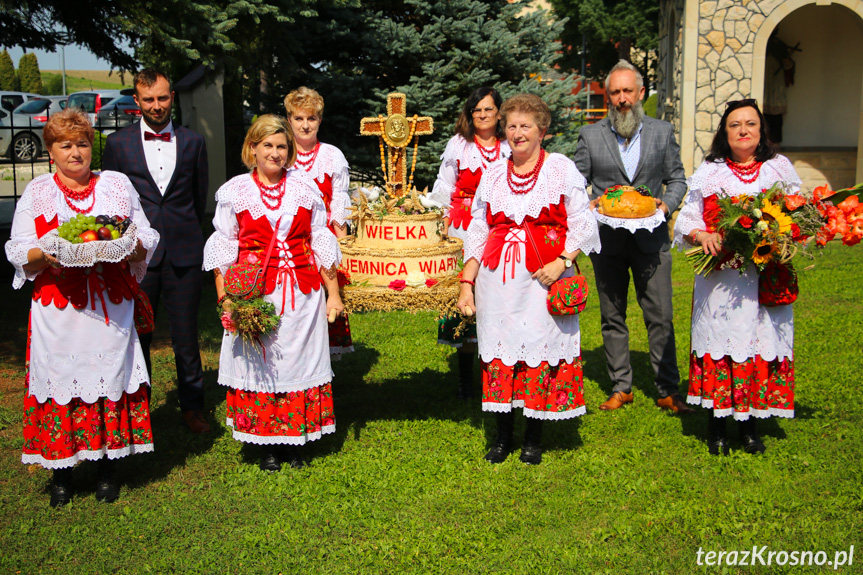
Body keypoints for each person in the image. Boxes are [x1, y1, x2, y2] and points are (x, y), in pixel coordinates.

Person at [5, 108, 159, 506]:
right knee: (61, 379)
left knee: (111, 376)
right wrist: (51, 251)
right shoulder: (38, 191)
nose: (76, 152)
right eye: (66, 145)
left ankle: (108, 469)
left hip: (110, 302)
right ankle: (62, 474)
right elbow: (21, 251)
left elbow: (143, 237)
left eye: (83, 144)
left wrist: (126, 246)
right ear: (51, 151)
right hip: (59, 308)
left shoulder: (116, 184)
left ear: (93, 147)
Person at [458, 94, 601, 465]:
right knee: (501, 351)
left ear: (543, 131)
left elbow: (583, 220)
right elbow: (478, 228)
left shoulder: (561, 169)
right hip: (498, 282)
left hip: (544, 279)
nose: (517, 133)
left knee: (539, 348)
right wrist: (466, 283)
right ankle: (503, 437)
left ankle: (533, 438)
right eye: (512, 126)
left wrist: (563, 260)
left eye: (526, 126)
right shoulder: (492, 175)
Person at [203, 115, 344, 471]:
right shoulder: (235, 191)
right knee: (260, 361)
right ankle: (267, 443)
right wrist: (227, 300)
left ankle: (293, 439)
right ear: (253, 148)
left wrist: (334, 294)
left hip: (301, 292)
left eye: (282, 146)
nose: (276, 153)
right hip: (256, 293)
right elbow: (224, 246)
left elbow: (320, 242)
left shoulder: (305, 187)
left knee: (297, 360)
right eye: (268, 145)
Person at [673, 99, 802, 455]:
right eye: (734, 125)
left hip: (765, 271)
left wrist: (779, 237)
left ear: (761, 131)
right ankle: (717, 426)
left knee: (758, 340)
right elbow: (687, 219)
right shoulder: (711, 170)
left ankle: (750, 427)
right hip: (723, 277)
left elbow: (798, 210)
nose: (743, 130)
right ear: (724, 133)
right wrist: (704, 236)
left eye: (750, 124)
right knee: (722, 339)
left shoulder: (778, 168)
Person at [573, 59, 693, 414]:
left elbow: (678, 179)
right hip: (607, 241)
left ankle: (668, 388)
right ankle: (621, 386)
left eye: (628, 91)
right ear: (608, 97)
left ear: (641, 93)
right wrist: (588, 203)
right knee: (612, 317)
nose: (622, 98)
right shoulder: (590, 135)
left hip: (651, 239)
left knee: (661, 315)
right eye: (615, 92)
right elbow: (576, 183)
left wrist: (666, 208)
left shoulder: (661, 131)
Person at [103, 68, 211, 433]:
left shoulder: (194, 142)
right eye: (148, 99)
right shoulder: (118, 145)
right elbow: (111, 205)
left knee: (186, 336)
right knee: (137, 336)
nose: (156, 105)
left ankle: (193, 406)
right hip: (137, 259)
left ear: (172, 98)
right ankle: (138, 409)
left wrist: (189, 238)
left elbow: (198, 200)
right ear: (137, 101)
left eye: (162, 98)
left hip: (184, 253)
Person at [428, 87, 511, 399]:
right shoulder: (459, 144)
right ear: (469, 113)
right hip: (464, 227)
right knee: (463, 297)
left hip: (501, 228)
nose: (483, 115)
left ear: (499, 113)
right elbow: (445, 186)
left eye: (489, 109)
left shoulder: (508, 144)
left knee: (497, 292)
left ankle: (497, 368)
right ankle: (465, 379)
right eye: (477, 110)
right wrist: (443, 230)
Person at [283, 87, 354, 360]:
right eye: (299, 118)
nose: (305, 125)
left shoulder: (332, 156)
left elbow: (339, 206)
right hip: (290, 240)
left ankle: (323, 370)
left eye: (311, 118)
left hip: (322, 239)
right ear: (289, 119)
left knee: (326, 303)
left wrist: (342, 249)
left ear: (319, 120)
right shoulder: (281, 152)